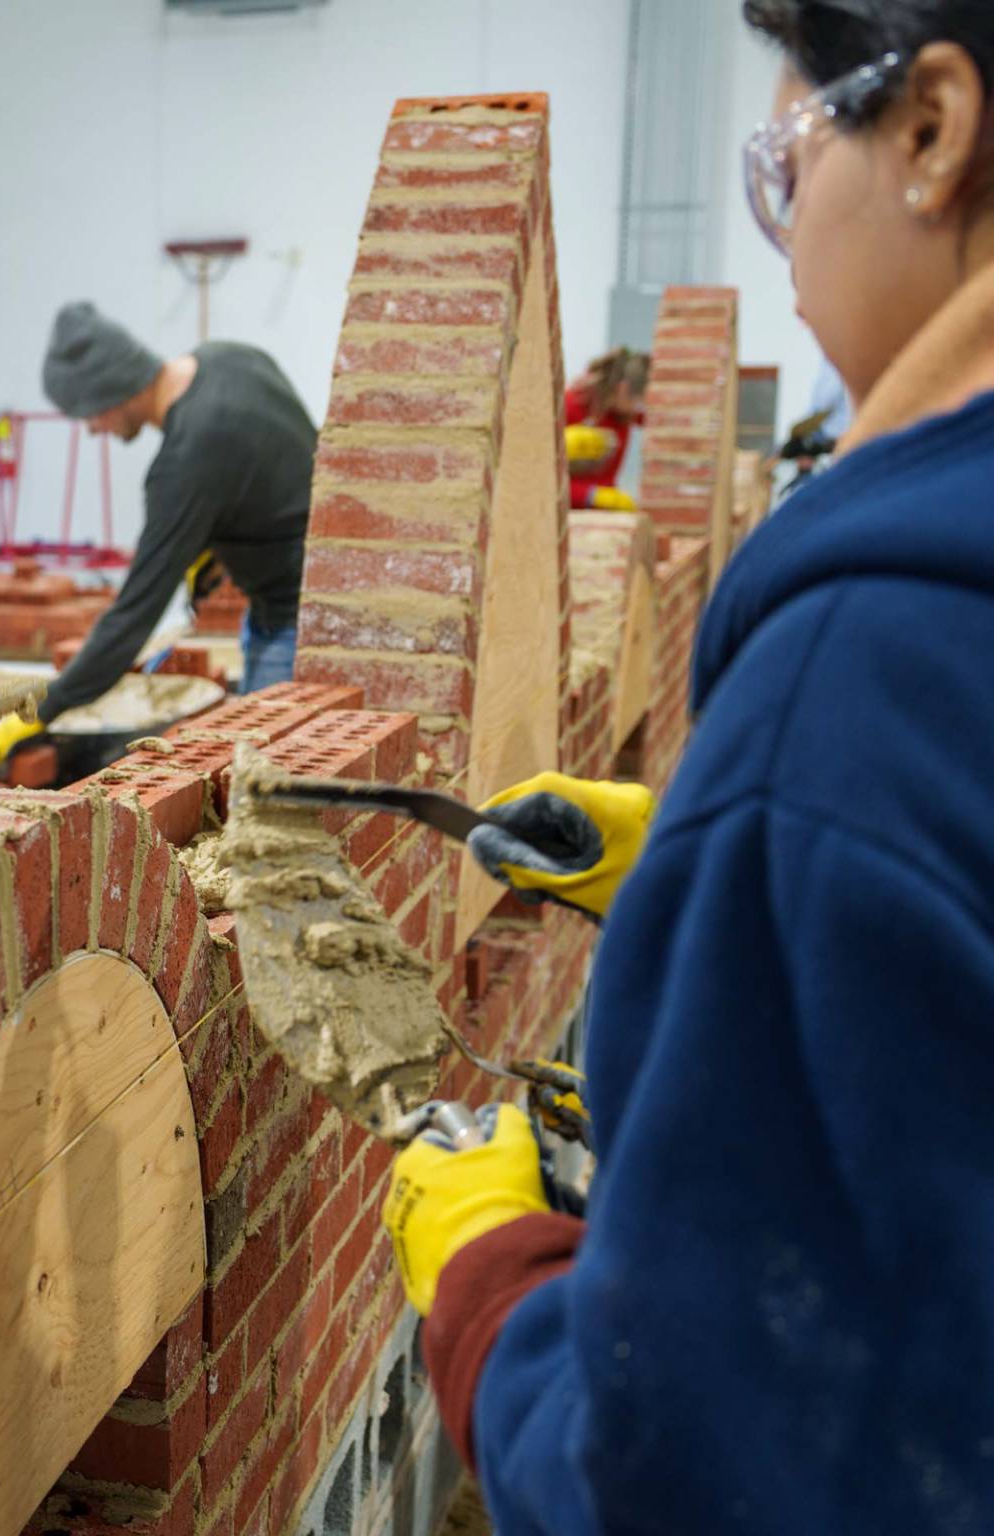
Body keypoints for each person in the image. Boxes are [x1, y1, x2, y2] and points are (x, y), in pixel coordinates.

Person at [383, 4, 994, 1531]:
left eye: (789, 161)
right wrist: (700, 859)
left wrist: (490, 1288)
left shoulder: (865, 669)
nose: (786, 239)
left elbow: (682, 1477)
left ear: (931, 130)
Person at [0, 304, 314, 766]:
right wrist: (215, 536)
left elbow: (132, 617)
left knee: (263, 779)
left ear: (110, 391)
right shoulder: (232, 358)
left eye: (89, 414)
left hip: (295, 625)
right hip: (295, 604)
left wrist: (43, 709)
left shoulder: (185, 460)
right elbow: (282, 465)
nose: (94, 430)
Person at [563, 346, 649, 509]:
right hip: (569, 507)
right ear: (622, 389)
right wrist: (592, 495)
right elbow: (541, 479)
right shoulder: (571, 405)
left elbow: (660, 419)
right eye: (638, 402)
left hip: (602, 510)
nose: (638, 409)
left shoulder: (623, 413)